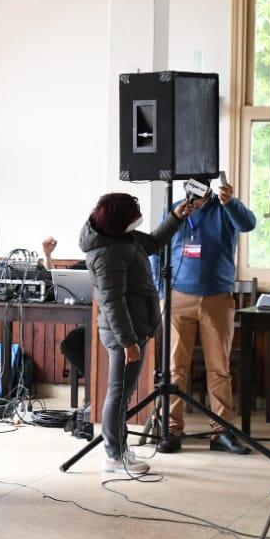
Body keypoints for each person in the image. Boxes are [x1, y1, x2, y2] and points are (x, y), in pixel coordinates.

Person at [80, 193, 189, 474]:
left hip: (135, 326)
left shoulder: (122, 237)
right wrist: (129, 343)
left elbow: (152, 243)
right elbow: (112, 303)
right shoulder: (107, 254)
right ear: (119, 221)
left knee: (121, 394)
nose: (137, 220)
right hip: (123, 334)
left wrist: (176, 217)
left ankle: (118, 450)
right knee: (118, 395)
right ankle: (114, 455)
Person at [155, 177, 258, 455]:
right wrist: (159, 290)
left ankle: (222, 432)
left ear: (209, 188)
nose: (195, 198)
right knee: (175, 367)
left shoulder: (226, 208)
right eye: (190, 190)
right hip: (177, 298)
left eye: (199, 191)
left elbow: (249, 224)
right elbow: (156, 248)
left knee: (219, 368)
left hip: (217, 299)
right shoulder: (176, 209)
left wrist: (230, 201)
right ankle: (171, 429)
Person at [41, 237, 88, 382]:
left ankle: (98, 388)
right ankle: (95, 383)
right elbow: (54, 282)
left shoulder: (118, 264)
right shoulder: (84, 266)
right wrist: (47, 255)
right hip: (90, 324)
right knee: (69, 345)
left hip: (114, 324)